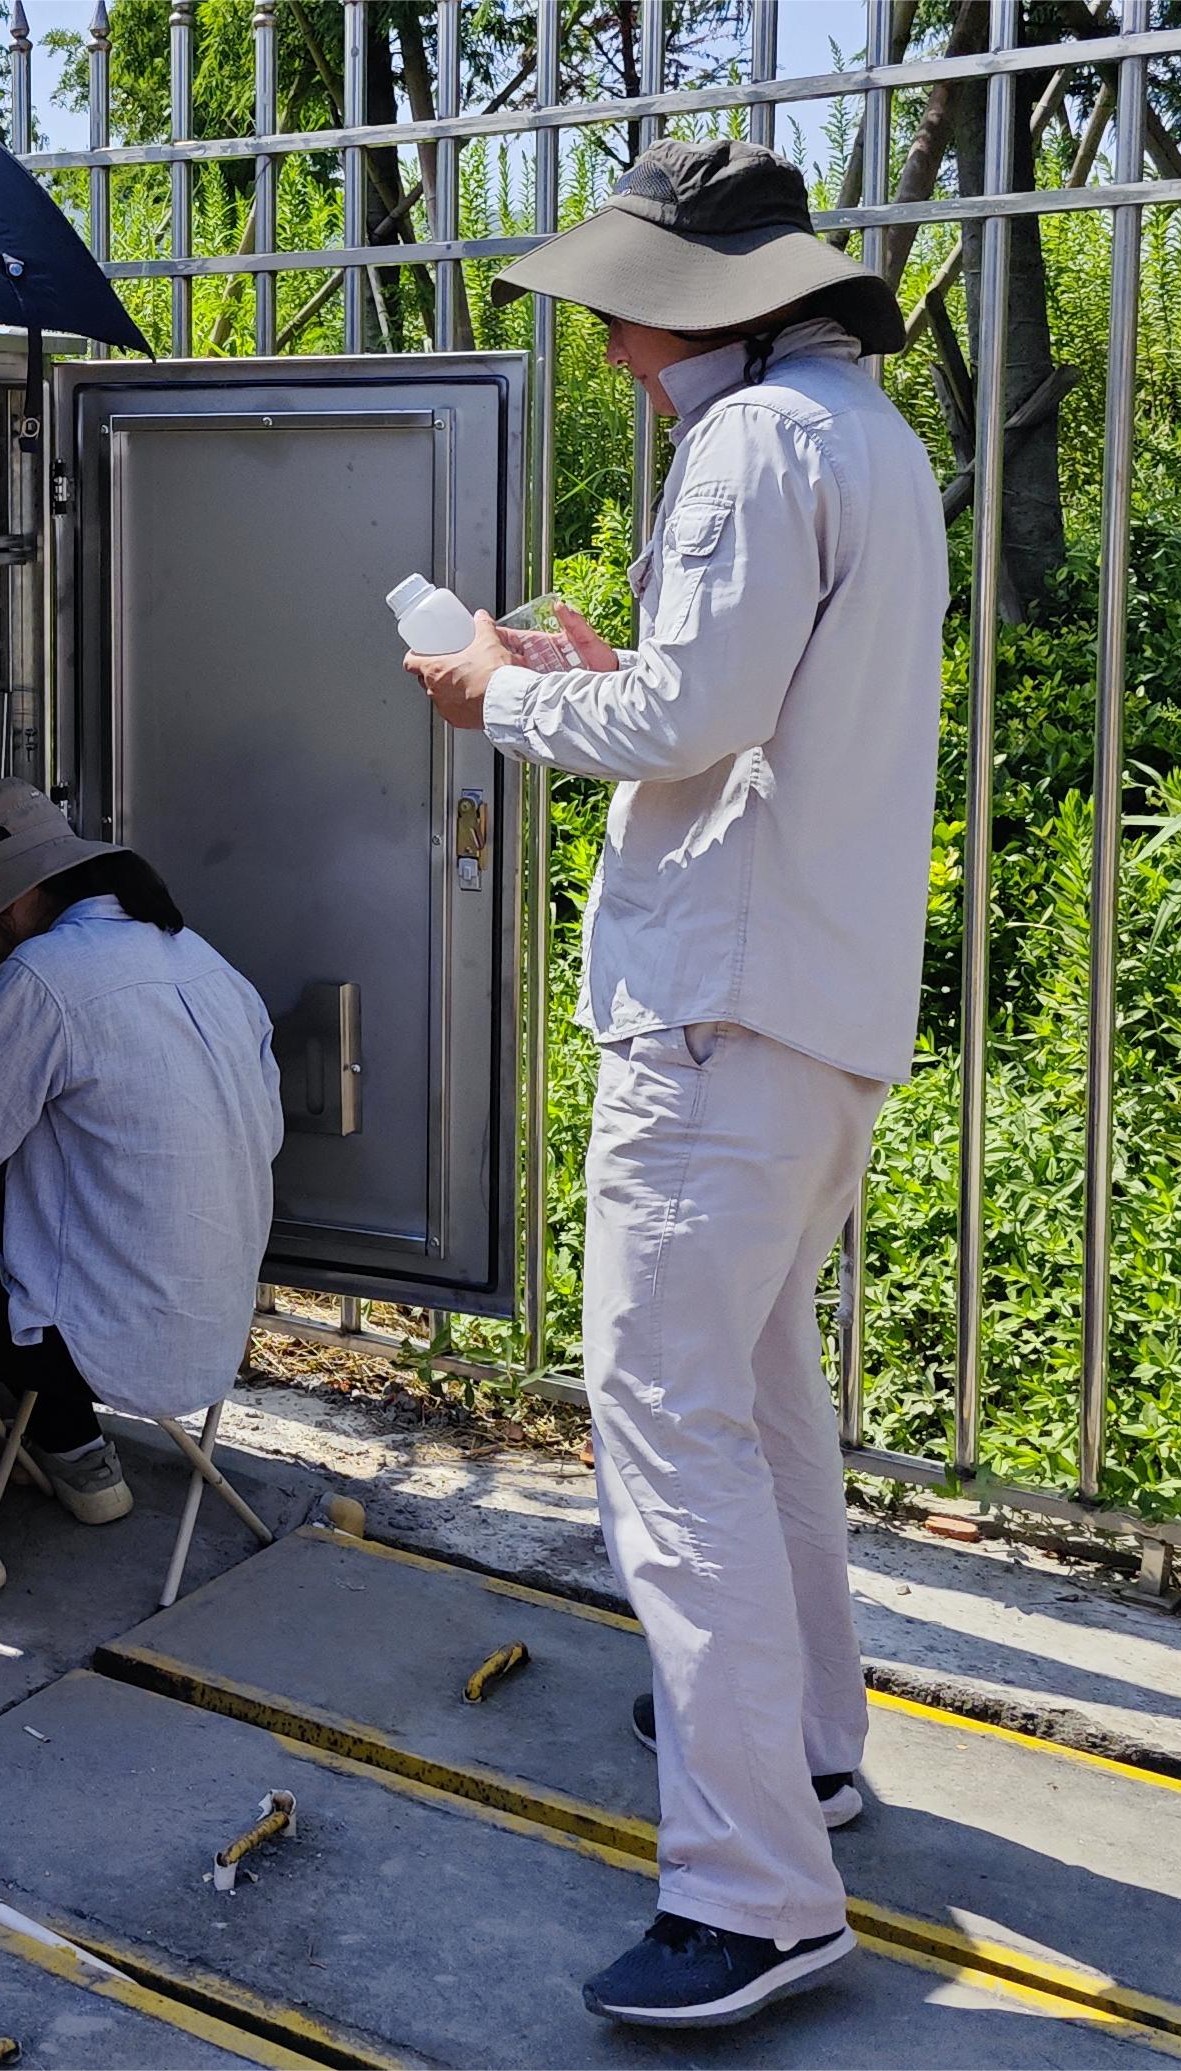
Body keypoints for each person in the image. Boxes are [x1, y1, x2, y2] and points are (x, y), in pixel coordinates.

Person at [405, 139, 943, 2031]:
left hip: (718, 1013)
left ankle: (750, 1893)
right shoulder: (868, 439)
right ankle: (806, 1750)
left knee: (666, 1428)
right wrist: (602, 671)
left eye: (631, 313)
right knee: (763, 1400)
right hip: (813, 1007)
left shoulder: (750, 446)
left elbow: (687, 719)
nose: (620, 349)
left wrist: (496, 688)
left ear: (713, 303)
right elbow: (739, 700)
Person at [0, 779, 286, 1602]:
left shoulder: (45, 974)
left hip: (102, 1340)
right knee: (28, 1249)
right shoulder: (204, 961)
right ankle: (80, 1458)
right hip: (214, 1327)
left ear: (12, 900)